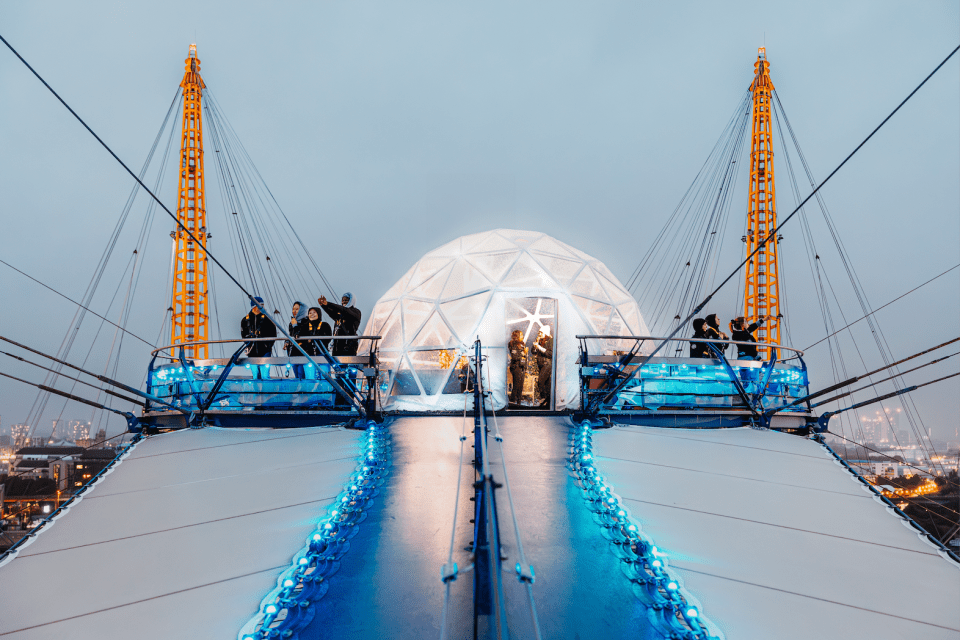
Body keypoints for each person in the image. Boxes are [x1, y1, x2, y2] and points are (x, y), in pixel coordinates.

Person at [240, 297, 276, 379]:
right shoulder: (245, 320)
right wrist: (248, 344)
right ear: (254, 306)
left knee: (265, 375)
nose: (263, 307)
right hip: (252, 351)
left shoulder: (268, 319)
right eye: (261, 305)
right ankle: (256, 391)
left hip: (265, 351)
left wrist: (268, 345)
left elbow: (273, 334)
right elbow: (243, 335)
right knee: (255, 375)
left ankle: (266, 391)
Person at [318, 292, 362, 357]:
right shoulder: (341, 314)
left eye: (346, 300)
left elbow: (345, 310)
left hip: (348, 344)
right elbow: (332, 313)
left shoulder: (355, 312)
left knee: (348, 365)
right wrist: (323, 305)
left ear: (351, 301)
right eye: (343, 300)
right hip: (337, 345)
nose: (344, 302)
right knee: (337, 364)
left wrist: (328, 303)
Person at [533, 325, 553, 408]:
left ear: (545, 333)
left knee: (540, 381)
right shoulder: (539, 341)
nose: (539, 333)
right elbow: (533, 351)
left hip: (547, 364)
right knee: (547, 384)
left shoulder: (550, 341)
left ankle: (543, 399)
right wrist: (536, 345)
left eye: (541, 332)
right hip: (541, 365)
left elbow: (550, 353)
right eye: (539, 332)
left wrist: (539, 347)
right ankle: (548, 402)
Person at [508, 329, 527, 406]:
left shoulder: (522, 344)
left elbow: (523, 355)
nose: (523, 336)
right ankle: (512, 401)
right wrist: (523, 353)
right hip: (516, 367)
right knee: (516, 384)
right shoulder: (512, 344)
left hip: (522, 366)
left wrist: (524, 354)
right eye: (521, 335)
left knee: (521, 385)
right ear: (517, 336)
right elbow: (514, 356)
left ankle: (519, 401)